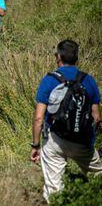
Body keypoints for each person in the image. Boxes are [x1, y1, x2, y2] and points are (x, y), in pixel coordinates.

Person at [30, 40, 102, 202]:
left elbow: (38, 118)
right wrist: (88, 138)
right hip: (82, 142)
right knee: (98, 177)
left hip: (55, 140)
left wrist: (35, 145)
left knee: (54, 190)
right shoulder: (88, 80)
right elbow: (97, 117)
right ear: (77, 58)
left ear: (58, 57)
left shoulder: (49, 80)